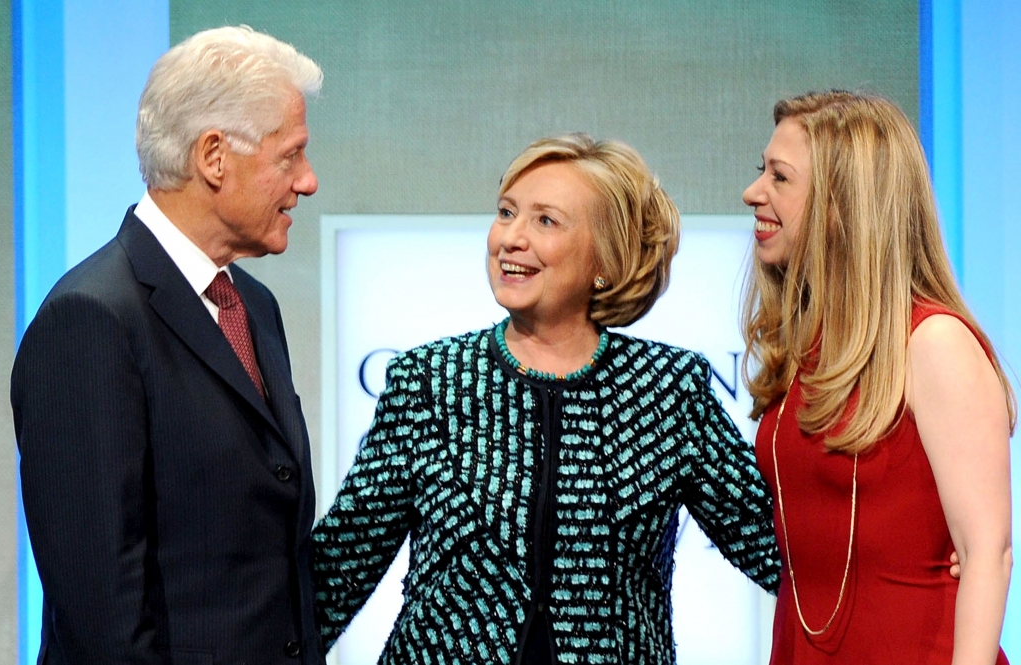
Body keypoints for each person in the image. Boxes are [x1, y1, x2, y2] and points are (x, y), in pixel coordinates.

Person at [312, 133, 780, 664]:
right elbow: (338, 570)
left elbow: (777, 554)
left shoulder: (671, 388)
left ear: (604, 256)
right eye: (506, 212)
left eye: (545, 221)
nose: (511, 238)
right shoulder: (428, 380)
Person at [12, 26, 324, 664]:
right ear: (214, 157)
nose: (309, 181)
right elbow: (101, 612)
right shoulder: (91, 318)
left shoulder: (252, 305)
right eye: (290, 155)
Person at [742, 90, 1015, 664]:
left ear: (843, 206)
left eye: (780, 178)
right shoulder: (804, 344)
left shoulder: (933, 342)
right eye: (760, 171)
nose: (754, 193)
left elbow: (986, 551)